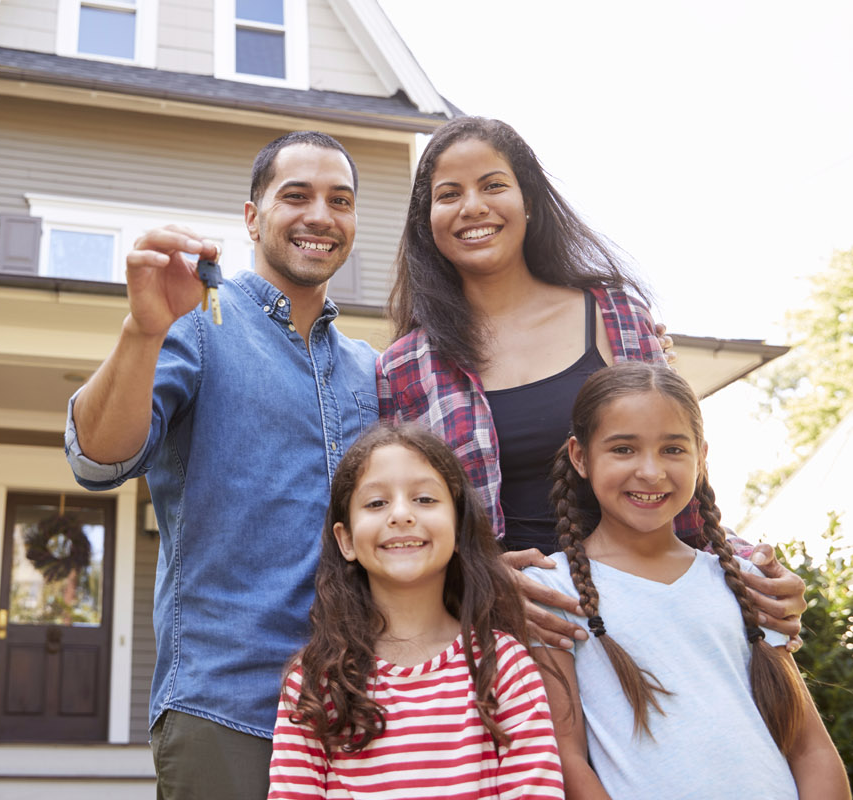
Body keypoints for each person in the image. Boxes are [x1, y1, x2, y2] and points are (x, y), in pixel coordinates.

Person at [376, 116, 806, 650]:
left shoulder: (618, 315)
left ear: (528, 200)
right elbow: (405, 524)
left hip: (645, 615)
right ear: (428, 220)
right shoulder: (404, 367)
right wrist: (478, 582)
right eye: (449, 194)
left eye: (493, 185)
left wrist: (753, 571)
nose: (473, 207)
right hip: (509, 637)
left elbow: (680, 480)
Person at [65, 131, 377, 799]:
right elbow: (96, 461)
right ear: (251, 216)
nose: (321, 216)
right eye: (296, 196)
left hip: (360, 711)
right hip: (230, 708)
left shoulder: (369, 370)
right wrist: (143, 330)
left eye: (340, 200)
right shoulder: (198, 324)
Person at [525, 362, 848, 800]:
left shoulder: (744, 580)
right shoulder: (552, 588)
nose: (651, 472)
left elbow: (809, 748)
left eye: (673, 450)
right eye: (623, 449)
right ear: (581, 457)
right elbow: (567, 756)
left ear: (701, 457)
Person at [267, 423, 564, 799]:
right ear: (345, 540)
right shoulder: (315, 680)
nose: (401, 514)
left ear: (458, 526)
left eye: (424, 499)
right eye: (376, 503)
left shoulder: (503, 664)